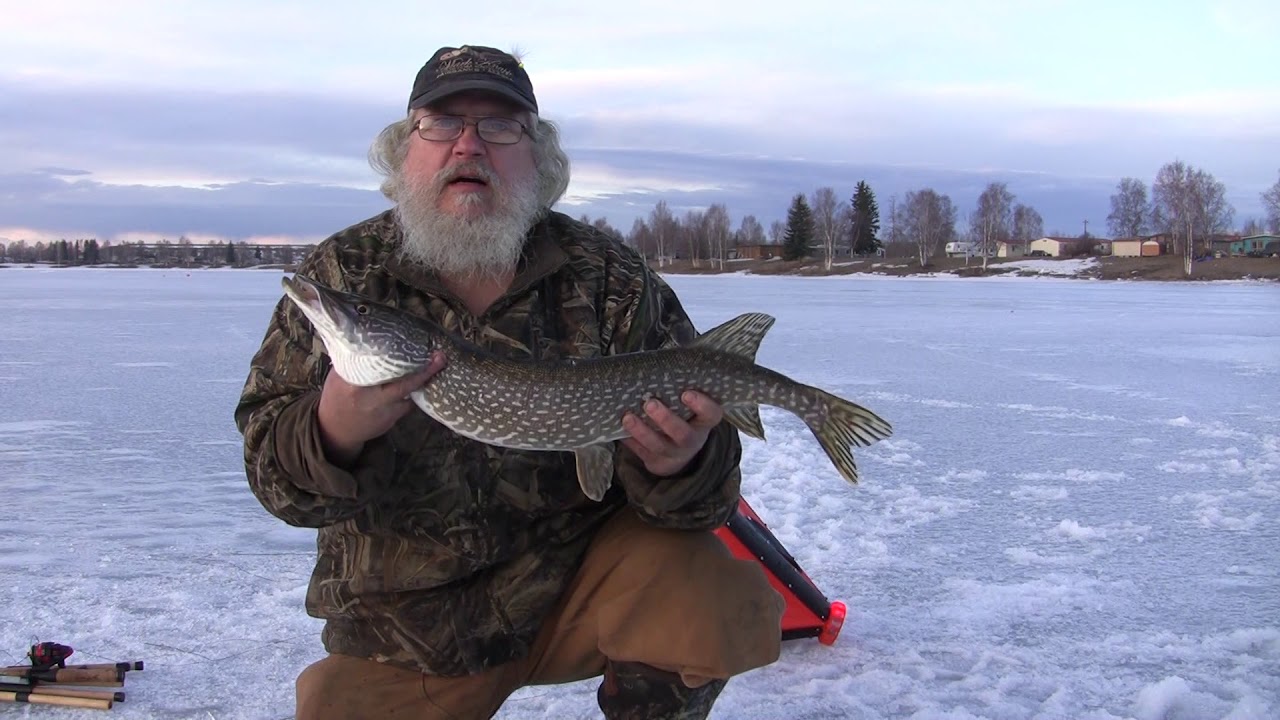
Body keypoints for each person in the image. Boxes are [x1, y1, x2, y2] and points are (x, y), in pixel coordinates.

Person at [234, 44, 785, 720]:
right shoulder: (346, 273)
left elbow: (705, 503)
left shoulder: (608, 276)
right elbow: (273, 480)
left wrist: (685, 463)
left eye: (500, 127)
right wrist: (330, 432)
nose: (469, 145)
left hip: (583, 588)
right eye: (441, 123)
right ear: (405, 150)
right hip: (405, 627)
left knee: (705, 589)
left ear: (538, 157)